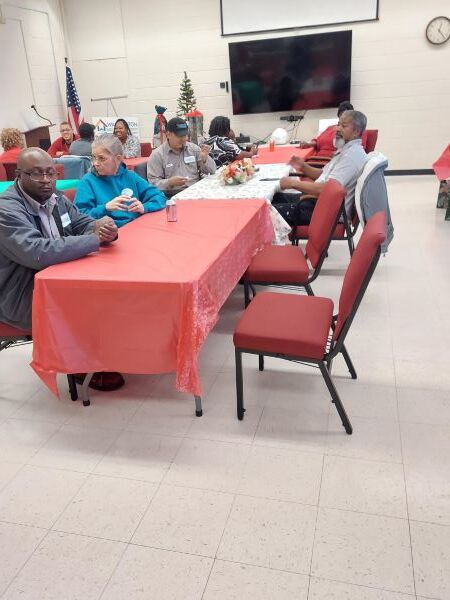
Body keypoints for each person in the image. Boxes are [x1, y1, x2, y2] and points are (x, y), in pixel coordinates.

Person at [0, 147, 118, 331]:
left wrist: (104, 229)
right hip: (22, 293)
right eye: (36, 174)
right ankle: (68, 358)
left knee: (112, 291)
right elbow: (37, 252)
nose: (46, 180)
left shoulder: (56, 198)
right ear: (19, 175)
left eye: (50, 173)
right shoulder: (6, 210)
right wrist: (94, 239)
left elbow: (83, 223)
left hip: (61, 277)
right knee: (93, 308)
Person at [273, 110, 369, 226]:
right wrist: (302, 166)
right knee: (274, 198)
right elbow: (323, 175)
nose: (337, 129)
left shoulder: (351, 157)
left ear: (356, 132)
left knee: (268, 212)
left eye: (343, 126)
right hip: (318, 202)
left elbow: (326, 189)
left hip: (326, 211)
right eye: (338, 124)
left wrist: (293, 184)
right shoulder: (347, 149)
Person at [75, 134, 166, 227]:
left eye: (102, 158)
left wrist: (144, 207)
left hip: (136, 228)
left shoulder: (130, 176)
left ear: (118, 159)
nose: (95, 163)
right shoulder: (88, 181)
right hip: (110, 233)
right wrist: (105, 208)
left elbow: (159, 197)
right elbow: (79, 217)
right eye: (93, 157)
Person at [147, 117, 216, 197]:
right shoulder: (158, 155)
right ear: (168, 134)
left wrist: (205, 159)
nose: (184, 139)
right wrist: (169, 182)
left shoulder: (193, 149)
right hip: (173, 196)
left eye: (185, 135)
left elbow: (212, 171)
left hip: (196, 192)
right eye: (180, 136)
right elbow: (153, 184)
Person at [299, 101, 366, 156]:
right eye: (342, 116)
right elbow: (318, 141)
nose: (344, 118)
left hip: (331, 163)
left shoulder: (356, 132)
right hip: (316, 160)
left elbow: (355, 150)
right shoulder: (330, 128)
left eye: (347, 116)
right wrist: (308, 144)